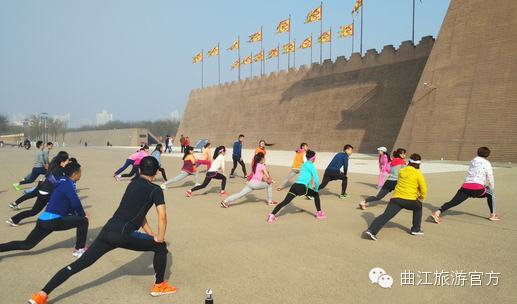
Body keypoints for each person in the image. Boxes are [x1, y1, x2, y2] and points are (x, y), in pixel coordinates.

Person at [27, 157, 177, 304]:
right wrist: (160, 237)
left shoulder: (133, 184)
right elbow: (162, 216)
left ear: (138, 170)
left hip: (107, 231)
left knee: (79, 265)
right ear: (157, 171)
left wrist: (150, 233)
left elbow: (138, 212)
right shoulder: (155, 190)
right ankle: (159, 286)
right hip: (123, 234)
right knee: (160, 247)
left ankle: (41, 295)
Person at [0, 162, 89, 258]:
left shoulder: (61, 181)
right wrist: (82, 214)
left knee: (26, 244)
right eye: (80, 172)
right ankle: (79, 249)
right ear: (75, 174)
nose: (81, 174)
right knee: (83, 221)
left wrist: (74, 214)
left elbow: (68, 203)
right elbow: (75, 202)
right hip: (53, 221)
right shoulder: (69, 184)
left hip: (43, 219)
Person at [365, 154, 427, 241]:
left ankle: (371, 231)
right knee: (418, 208)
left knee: (385, 215)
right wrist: (421, 199)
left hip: (396, 199)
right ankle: (416, 229)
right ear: (419, 164)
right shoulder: (418, 173)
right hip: (410, 200)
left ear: (409, 162)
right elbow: (423, 189)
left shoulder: (402, 171)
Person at [431, 147, 499, 224]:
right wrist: (490, 187)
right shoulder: (487, 163)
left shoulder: (473, 161)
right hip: (477, 188)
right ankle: (493, 214)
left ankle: (437, 213)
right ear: (488, 154)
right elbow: (490, 176)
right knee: (491, 194)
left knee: (453, 202)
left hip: (465, 187)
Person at [7, 152, 70, 225]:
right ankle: (68, 219)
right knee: (63, 203)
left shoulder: (55, 167)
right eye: (68, 160)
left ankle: (13, 219)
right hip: (47, 193)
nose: (68, 161)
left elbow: (53, 180)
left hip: (43, 191)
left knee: (33, 211)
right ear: (63, 161)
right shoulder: (59, 170)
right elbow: (61, 183)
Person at [267, 150, 324, 222]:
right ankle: (319, 213)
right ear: (313, 158)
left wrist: (310, 188)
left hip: (294, 186)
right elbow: (316, 180)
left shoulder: (303, 165)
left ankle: (272, 215)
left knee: (285, 201)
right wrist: (316, 190)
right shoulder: (311, 166)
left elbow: (305, 180)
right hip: (301, 187)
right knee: (316, 194)